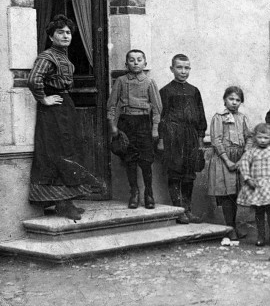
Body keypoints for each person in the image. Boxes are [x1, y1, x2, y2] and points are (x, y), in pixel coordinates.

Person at [27, 15, 96, 220]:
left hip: (65, 108)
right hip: (54, 111)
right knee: (57, 150)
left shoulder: (64, 57)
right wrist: (44, 99)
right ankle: (62, 203)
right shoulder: (47, 57)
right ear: (51, 36)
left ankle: (66, 201)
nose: (65, 35)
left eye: (68, 32)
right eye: (60, 32)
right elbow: (33, 79)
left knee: (69, 149)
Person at [107, 49, 163, 210]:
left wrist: (155, 128)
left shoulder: (149, 82)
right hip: (126, 122)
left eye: (139, 59)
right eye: (132, 60)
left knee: (146, 161)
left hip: (144, 122)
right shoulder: (121, 81)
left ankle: (149, 193)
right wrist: (113, 126)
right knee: (130, 160)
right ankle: (134, 193)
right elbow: (111, 105)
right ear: (126, 64)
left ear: (145, 63)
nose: (136, 62)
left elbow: (157, 108)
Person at [159, 54, 207, 224]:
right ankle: (178, 210)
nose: (183, 71)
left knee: (189, 174)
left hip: (191, 138)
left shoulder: (194, 91)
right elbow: (161, 117)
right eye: (179, 67)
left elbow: (201, 116)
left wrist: (201, 140)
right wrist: (161, 140)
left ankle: (188, 209)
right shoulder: (165, 91)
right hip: (173, 137)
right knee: (175, 173)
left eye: (187, 67)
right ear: (172, 69)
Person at [207, 86, 250, 241]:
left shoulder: (243, 118)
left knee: (237, 193)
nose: (234, 102)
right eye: (231, 99)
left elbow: (249, 137)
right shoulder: (218, 117)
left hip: (239, 157)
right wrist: (227, 160)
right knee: (227, 195)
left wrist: (243, 158)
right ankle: (229, 227)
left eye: (238, 100)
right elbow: (216, 140)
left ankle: (237, 224)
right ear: (225, 100)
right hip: (223, 159)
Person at [237, 123, 270, 247]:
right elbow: (244, 165)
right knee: (259, 212)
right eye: (260, 137)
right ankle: (260, 236)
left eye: (266, 138)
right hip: (257, 187)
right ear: (255, 137)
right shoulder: (251, 152)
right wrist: (248, 179)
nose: (263, 140)